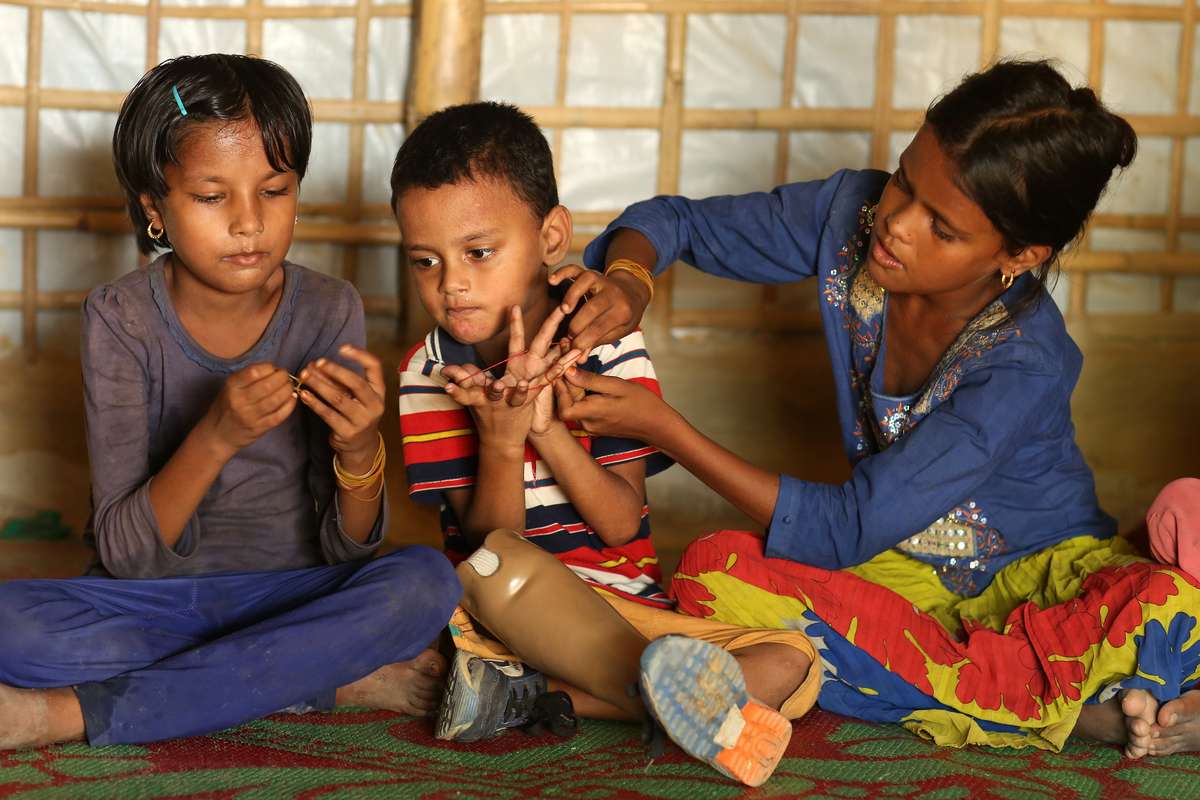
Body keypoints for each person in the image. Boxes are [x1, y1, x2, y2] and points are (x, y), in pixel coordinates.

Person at [549, 59, 1200, 759]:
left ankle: (1043, 701)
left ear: (1018, 255)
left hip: (1048, 585)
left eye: (942, 228)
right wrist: (629, 281)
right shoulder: (853, 218)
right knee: (712, 572)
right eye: (903, 181)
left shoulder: (1024, 363)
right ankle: (1067, 706)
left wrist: (665, 431)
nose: (895, 224)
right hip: (897, 573)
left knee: (1167, 608)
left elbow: (842, 527)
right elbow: (673, 223)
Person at [0, 54, 461, 751]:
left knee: (426, 583)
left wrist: (361, 447)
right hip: (151, 603)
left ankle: (73, 714)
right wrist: (216, 433)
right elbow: (126, 556)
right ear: (155, 208)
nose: (249, 223)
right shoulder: (120, 318)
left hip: (293, 593)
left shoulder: (328, 308)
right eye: (213, 197)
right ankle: (323, 679)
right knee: (9, 625)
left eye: (274, 191)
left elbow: (347, 543)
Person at [393, 102, 819, 786]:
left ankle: (544, 700)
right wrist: (502, 442)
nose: (453, 283)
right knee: (501, 572)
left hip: (625, 608)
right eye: (425, 261)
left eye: (478, 251)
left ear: (551, 235)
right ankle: (666, 703)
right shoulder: (429, 371)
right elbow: (489, 548)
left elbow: (621, 522)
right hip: (507, 612)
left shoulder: (606, 339)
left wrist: (545, 429)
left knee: (795, 658)